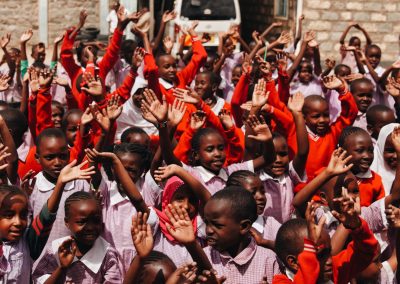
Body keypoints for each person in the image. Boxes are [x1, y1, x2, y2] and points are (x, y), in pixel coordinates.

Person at [274, 196, 378, 283]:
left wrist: (357, 227)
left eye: (329, 253)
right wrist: (311, 246)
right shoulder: (281, 281)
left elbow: (365, 253)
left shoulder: (333, 271)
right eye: (319, 255)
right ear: (294, 262)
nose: (329, 261)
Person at [32, 191, 122, 283]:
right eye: (81, 222)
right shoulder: (55, 251)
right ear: (67, 222)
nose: (90, 227)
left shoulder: (108, 254)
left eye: (96, 220)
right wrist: (62, 268)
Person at [226, 170, 281, 250]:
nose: (261, 197)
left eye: (262, 192)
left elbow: (289, 249)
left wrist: (265, 242)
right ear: (234, 197)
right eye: (253, 193)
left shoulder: (270, 224)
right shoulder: (228, 226)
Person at [338, 126, 385, 206]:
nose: (367, 156)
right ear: (342, 152)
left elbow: (379, 210)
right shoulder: (330, 177)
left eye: (371, 151)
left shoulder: (375, 181)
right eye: (360, 151)